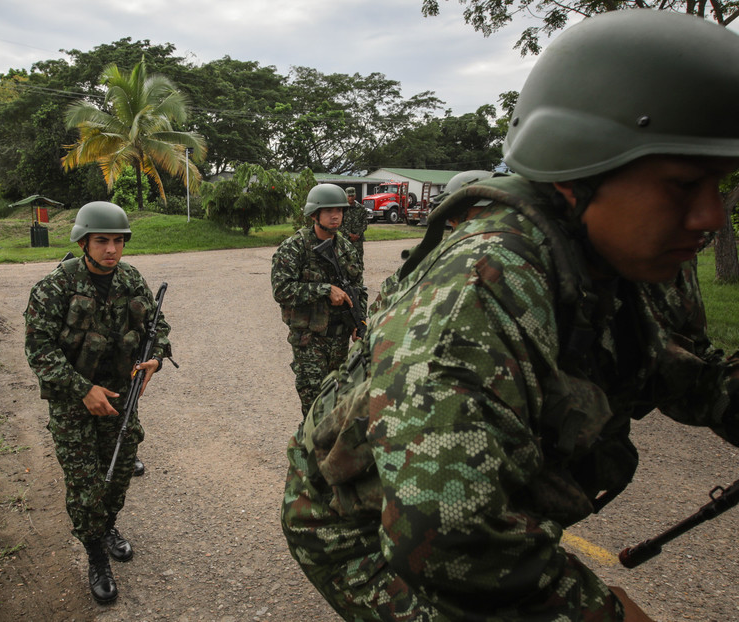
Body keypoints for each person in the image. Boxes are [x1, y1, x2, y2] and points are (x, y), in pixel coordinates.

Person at [281, 10, 739, 622]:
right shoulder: (474, 296)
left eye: (722, 184)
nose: (711, 217)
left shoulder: (639, 265)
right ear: (581, 170)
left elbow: (679, 366)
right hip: (366, 530)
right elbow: (447, 538)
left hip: (488, 491)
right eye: (684, 184)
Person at [24, 201, 172, 604]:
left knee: (119, 472)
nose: (111, 249)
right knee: (86, 483)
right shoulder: (56, 286)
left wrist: (155, 359)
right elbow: (38, 349)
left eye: (118, 241)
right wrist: (81, 389)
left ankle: (107, 526)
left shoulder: (131, 280)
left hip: (120, 398)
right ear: (84, 241)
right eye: (102, 240)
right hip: (74, 402)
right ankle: (94, 554)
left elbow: (157, 328)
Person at [272, 183, 367, 419]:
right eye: (329, 211)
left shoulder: (346, 248)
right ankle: (309, 451)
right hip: (310, 340)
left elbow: (357, 289)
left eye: (340, 210)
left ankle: (331, 453)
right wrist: (325, 290)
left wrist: (359, 322)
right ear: (315, 214)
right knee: (315, 404)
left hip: (339, 338)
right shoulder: (294, 247)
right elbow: (281, 290)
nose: (336, 216)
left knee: (339, 401)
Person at [339, 186, 368, 277]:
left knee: (358, 259)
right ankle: (346, 280)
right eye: (349, 196)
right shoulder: (342, 209)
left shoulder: (361, 208)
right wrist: (349, 234)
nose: (350, 198)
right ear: (345, 196)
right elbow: (339, 224)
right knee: (345, 260)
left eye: (352, 196)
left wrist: (357, 235)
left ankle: (359, 281)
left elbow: (365, 223)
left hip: (358, 240)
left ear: (355, 196)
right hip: (346, 239)